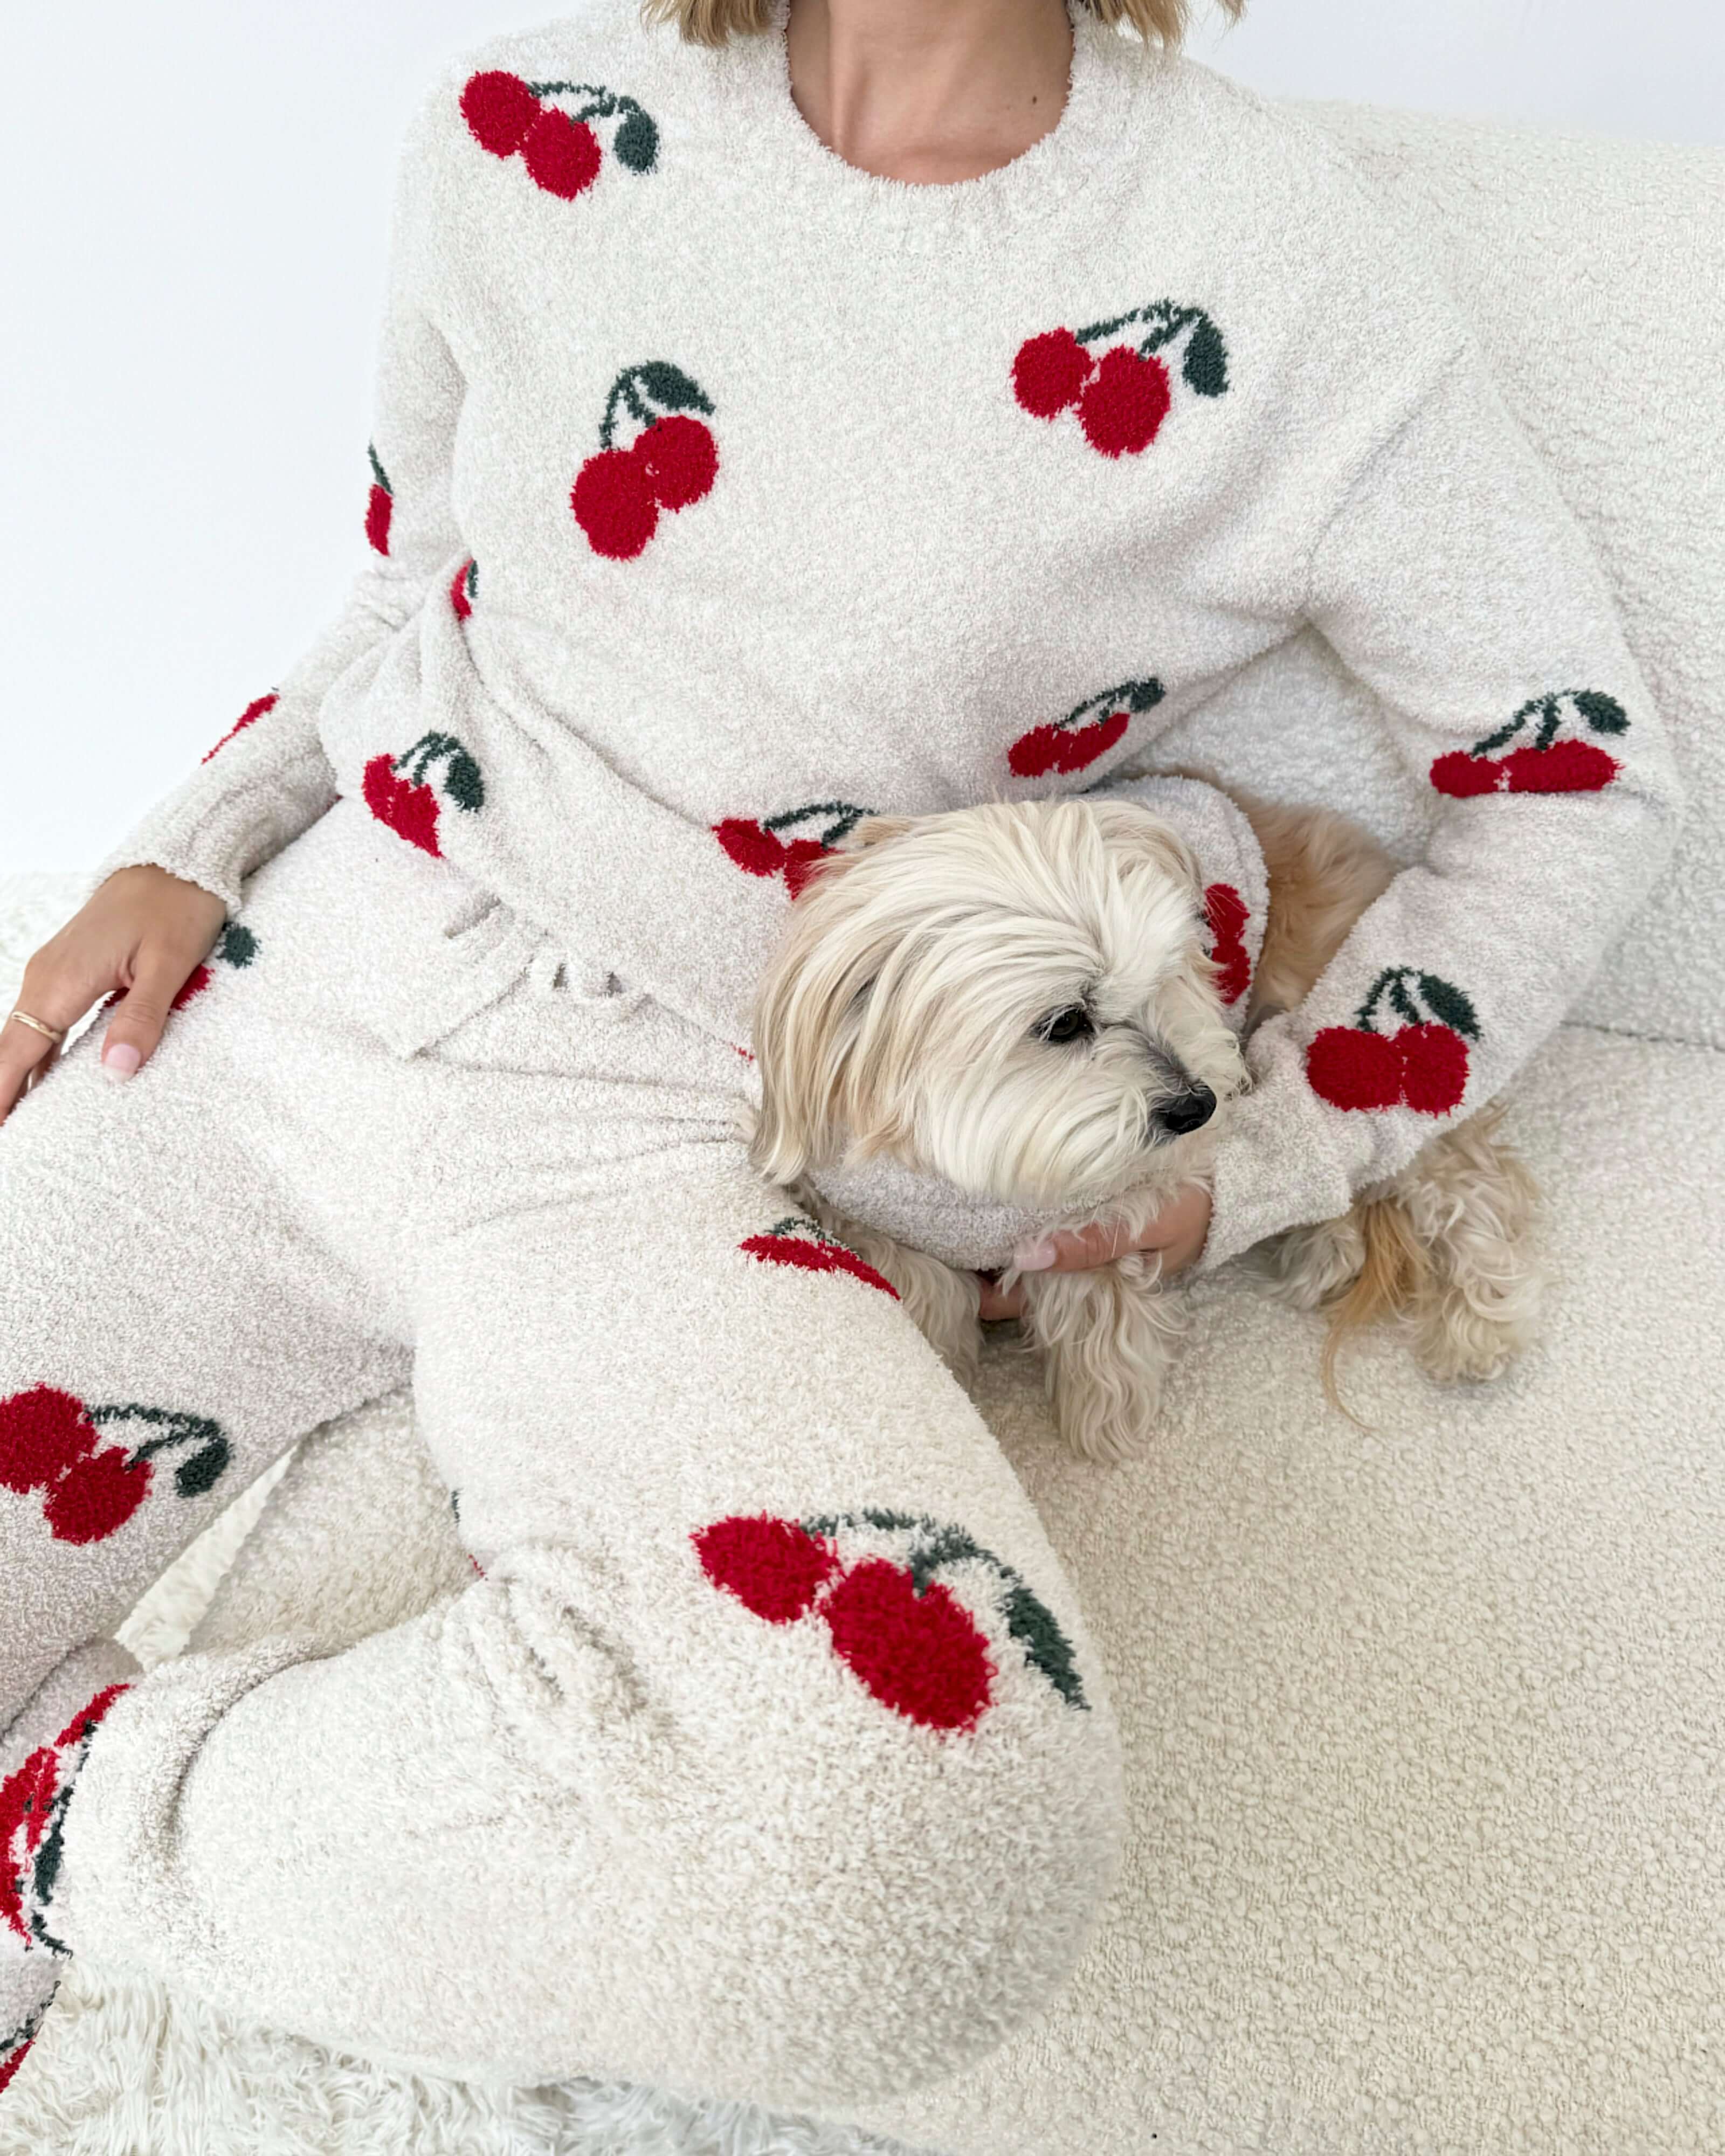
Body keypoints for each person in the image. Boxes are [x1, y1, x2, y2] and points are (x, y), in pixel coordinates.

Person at [0, 0, 1683, 2117]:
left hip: (695, 1139)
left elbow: (1573, 779)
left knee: (914, 1847)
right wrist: (192, 833)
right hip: (306, 983)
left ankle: (66, 1825)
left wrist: (1255, 1158)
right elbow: (428, 582)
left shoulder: (1269, 264)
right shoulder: (526, 128)